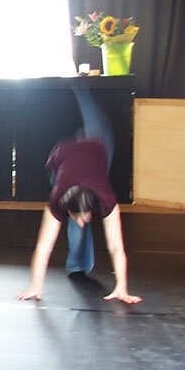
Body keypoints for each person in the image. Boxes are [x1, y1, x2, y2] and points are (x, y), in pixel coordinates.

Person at [17, 86, 141, 304]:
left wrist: (121, 288)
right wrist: (35, 286)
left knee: (98, 125)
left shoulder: (106, 199)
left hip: (96, 149)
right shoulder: (57, 201)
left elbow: (116, 246)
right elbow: (44, 246)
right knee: (75, 223)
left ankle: (79, 86)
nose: (83, 221)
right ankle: (78, 264)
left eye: (86, 216)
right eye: (78, 216)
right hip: (61, 155)